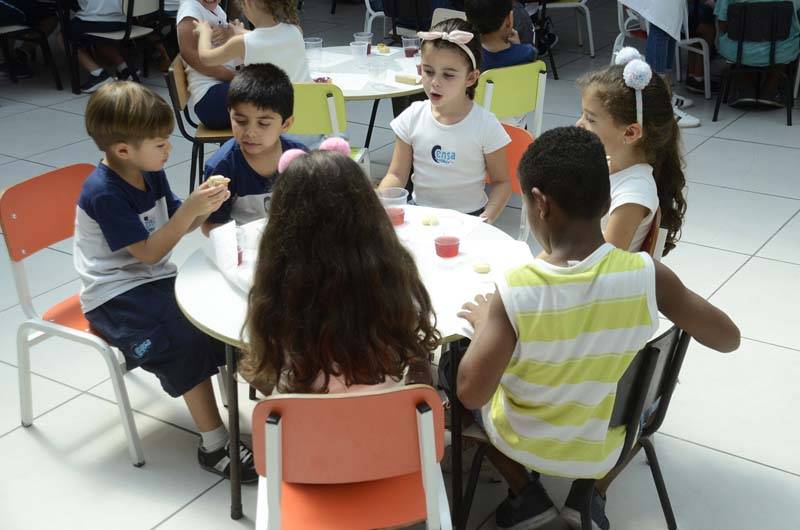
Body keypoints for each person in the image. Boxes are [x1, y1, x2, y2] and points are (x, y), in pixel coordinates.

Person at [455, 126, 741, 530]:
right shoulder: (647, 274)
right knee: (635, 397)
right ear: (607, 200)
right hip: (604, 443)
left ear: (540, 204)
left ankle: (524, 492)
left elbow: (471, 393)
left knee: (451, 373)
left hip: (524, 439)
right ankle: (589, 495)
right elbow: (728, 339)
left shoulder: (515, 290)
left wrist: (486, 324)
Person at [74, 81, 258, 483]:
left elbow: (179, 224)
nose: (168, 149)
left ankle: (267, 404)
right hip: (114, 295)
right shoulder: (103, 192)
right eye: (160, 143)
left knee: (220, 311)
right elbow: (150, 251)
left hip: (152, 280)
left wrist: (205, 205)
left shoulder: (148, 171)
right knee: (181, 339)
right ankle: (213, 443)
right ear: (123, 150)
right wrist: (189, 212)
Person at [241, 147, 438, 395]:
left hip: (305, 418)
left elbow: (262, 379)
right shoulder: (393, 285)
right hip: (387, 414)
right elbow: (415, 347)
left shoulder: (276, 300)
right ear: (371, 215)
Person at [379, 18, 512, 222]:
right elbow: (396, 175)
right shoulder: (412, 117)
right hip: (419, 215)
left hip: (469, 219)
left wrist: (487, 217)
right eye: (428, 71)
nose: (435, 82)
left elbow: (502, 182)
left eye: (448, 75)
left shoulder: (485, 125)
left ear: (471, 78)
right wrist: (377, 202)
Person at [576, 50, 686, 255]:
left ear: (630, 132)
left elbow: (603, 264)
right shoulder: (607, 167)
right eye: (582, 115)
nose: (579, 124)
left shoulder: (634, 193)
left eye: (590, 119)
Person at [202, 64, 307, 234]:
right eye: (241, 121)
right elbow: (211, 225)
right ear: (229, 114)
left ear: (286, 124)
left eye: (263, 123)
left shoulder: (299, 157)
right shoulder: (222, 168)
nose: (250, 133)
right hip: (243, 246)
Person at [193, 0, 310, 82]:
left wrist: (204, 33)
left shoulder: (241, 43)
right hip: (307, 105)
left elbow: (206, 58)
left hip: (272, 109)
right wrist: (240, 31)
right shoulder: (296, 31)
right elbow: (269, 38)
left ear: (247, 2)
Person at [715, 0, 800, 106]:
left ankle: (745, 89)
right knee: (789, 40)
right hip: (780, 51)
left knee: (730, 41)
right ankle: (770, 90)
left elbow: (722, 23)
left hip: (738, 51)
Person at [177, 0, 239, 130]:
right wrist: (234, 77)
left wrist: (229, 33)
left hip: (220, 89)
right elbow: (188, 53)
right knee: (267, 96)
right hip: (210, 99)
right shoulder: (190, 10)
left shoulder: (217, 10)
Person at [65, 0, 136, 93]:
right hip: (124, 21)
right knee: (98, 36)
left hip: (94, 20)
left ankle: (98, 74)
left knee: (63, 37)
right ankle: (125, 68)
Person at [464, 0, 537, 72]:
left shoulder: (467, 57)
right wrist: (518, 47)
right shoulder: (528, 53)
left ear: (468, 19)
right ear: (509, 19)